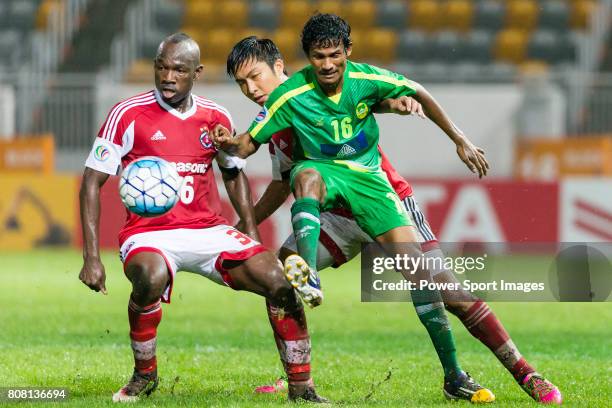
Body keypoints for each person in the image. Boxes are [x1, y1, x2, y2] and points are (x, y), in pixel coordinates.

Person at [224, 35, 562, 405]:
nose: (250, 89)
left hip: (386, 199)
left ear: (278, 66)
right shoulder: (277, 119)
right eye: (241, 83)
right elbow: (281, 182)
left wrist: (392, 104)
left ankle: (519, 372)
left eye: (255, 76)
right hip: (336, 216)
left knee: (447, 292)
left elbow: (366, 98)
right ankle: (297, 379)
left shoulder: (319, 88)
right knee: (280, 277)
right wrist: (247, 225)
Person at [78, 33, 326, 403]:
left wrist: (251, 232)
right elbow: (91, 183)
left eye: (179, 69)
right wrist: (92, 257)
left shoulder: (215, 115)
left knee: (278, 280)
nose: (167, 76)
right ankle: (144, 375)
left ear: (197, 72)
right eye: (161, 67)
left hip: (209, 229)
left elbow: (233, 173)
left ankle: (302, 387)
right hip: (149, 234)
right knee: (149, 277)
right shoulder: (127, 113)